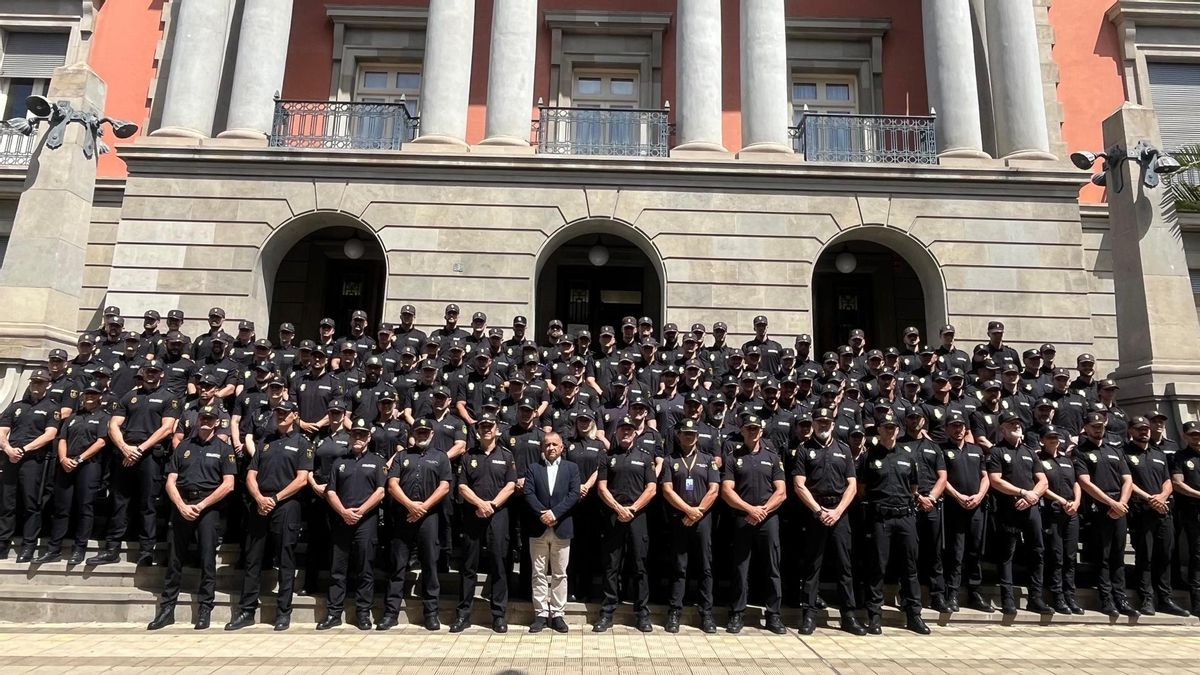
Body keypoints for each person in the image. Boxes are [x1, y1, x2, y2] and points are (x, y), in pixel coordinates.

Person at [147, 405, 237, 630]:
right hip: (182, 504)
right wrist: (181, 505)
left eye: (210, 419)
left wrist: (202, 504)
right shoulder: (183, 446)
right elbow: (170, 481)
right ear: (198, 420)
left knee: (207, 559)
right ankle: (167, 609)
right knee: (175, 559)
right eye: (203, 418)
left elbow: (229, 484)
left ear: (217, 422)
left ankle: (205, 608)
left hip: (208, 506)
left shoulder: (224, 449)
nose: (206, 421)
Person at [226, 400, 313, 632]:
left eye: (285, 413)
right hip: (260, 504)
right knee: (253, 559)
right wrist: (259, 498)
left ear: (295, 415)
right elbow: (251, 474)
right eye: (278, 413)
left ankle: (283, 613)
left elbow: (302, 479)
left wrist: (275, 499)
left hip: (286, 506)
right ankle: (246, 611)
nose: (281, 416)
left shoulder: (303, 443)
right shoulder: (265, 441)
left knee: (285, 560)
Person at [89, 363, 180, 567]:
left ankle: (146, 551)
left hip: (150, 457)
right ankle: (112, 548)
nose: (151, 375)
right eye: (148, 372)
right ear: (143, 374)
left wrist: (139, 449)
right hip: (125, 454)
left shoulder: (169, 398)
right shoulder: (129, 397)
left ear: (161, 375)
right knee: (119, 501)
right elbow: (113, 425)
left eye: (155, 372)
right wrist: (124, 447)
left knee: (148, 504)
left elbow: (166, 429)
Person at [790, 408, 864, 635]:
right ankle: (809, 615)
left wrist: (838, 510)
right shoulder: (804, 450)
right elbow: (799, 484)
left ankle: (848, 616)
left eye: (827, 422)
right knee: (813, 565)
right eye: (819, 422)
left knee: (844, 565)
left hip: (840, 513)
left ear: (833, 424)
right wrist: (819, 511)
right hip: (816, 512)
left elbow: (852, 484)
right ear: (813, 423)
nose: (823, 425)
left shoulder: (843, 449)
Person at [856, 411, 929, 634]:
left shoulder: (908, 456)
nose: (889, 430)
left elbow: (914, 488)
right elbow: (862, 490)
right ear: (878, 430)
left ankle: (914, 614)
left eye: (893, 427)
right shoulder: (869, 457)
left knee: (910, 568)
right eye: (885, 427)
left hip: (905, 516)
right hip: (881, 518)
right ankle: (874, 616)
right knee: (877, 567)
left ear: (898, 430)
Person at [380, 418, 452, 631]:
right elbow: (392, 484)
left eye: (425, 431)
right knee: (398, 565)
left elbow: (445, 486)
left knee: (430, 565)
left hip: (429, 518)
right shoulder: (402, 456)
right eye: (418, 431)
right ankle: (390, 613)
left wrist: (423, 508)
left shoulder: (441, 457)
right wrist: (411, 505)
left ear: (431, 433)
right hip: (404, 516)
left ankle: (431, 613)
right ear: (413, 433)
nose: (422, 434)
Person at [720, 414, 788, 635]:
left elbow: (782, 492)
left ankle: (773, 615)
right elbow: (727, 490)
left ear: (761, 431)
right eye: (749, 428)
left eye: (756, 429)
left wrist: (762, 510)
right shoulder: (733, 457)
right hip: (744, 517)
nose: (753, 432)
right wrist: (749, 510)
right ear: (742, 431)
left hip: (768, 518)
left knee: (772, 567)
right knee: (741, 567)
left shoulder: (773, 457)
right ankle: (737, 613)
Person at [318, 419, 386, 631]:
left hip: (366, 521)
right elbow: (330, 491)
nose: (358, 438)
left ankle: (363, 613)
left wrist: (361, 511)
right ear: (349, 437)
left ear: (369, 438)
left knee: (365, 569)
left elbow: (381, 491)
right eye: (355, 434)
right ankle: (334, 613)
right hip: (341, 519)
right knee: (338, 569)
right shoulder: (339, 462)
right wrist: (343, 512)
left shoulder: (377, 462)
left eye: (362, 435)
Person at [453, 413, 518, 633]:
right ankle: (463, 615)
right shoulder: (467, 455)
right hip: (473, 515)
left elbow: (510, 486)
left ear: (497, 430)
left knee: (499, 565)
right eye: (483, 426)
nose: (486, 429)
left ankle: (498, 615)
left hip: (498, 515)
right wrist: (480, 504)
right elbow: (462, 486)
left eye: (490, 426)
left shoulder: (507, 456)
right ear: (477, 430)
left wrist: (492, 506)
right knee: (468, 566)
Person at [594, 416, 657, 633]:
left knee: (640, 565)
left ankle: (642, 614)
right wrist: (618, 509)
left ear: (635, 432)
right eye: (622, 429)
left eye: (630, 429)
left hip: (637, 516)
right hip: (614, 515)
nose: (626, 432)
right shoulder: (607, 456)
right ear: (617, 432)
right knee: (612, 565)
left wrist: (633, 509)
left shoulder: (646, 456)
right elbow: (602, 488)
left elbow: (652, 488)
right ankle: (607, 612)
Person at [34, 381, 108, 565]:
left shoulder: (103, 417)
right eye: (87, 394)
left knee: (85, 507)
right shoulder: (72, 417)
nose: (89, 397)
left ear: (100, 396)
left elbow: (101, 442)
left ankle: (79, 549)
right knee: (61, 508)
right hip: (66, 464)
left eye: (93, 394)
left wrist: (79, 459)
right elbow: (61, 439)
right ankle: (53, 549)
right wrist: (63, 459)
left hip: (89, 465)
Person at [659, 419, 720, 634]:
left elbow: (714, 490)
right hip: (680, 519)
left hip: (702, 520)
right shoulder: (669, 460)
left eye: (692, 433)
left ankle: (706, 613)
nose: (689, 437)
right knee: (679, 566)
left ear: (698, 436)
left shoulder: (708, 460)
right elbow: (667, 490)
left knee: (705, 566)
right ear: (679, 435)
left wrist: (698, 512)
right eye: (685, 433)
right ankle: (675, 611)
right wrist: (688, 510)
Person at [987, 412, 1051, 615]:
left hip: (1031, 509)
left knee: (1037, 552)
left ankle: (1036, 598)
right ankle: (1007, 600)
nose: (1016, 426)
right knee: (1007, 554)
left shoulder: (1030, 452)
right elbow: (995, 480)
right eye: (1011, 424)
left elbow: (1043, 481)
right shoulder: (996, 452)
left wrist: (1032, 496)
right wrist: (1023, 493)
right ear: (1002, 429)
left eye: (1018, 423)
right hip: (1008, 509)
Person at [1074, 411, 1138, 617]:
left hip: (1119, 508)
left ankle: (1121, 598)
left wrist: (1121, 503)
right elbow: (1085, 482)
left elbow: (1127, 479)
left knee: (1118, 557)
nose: (1098, 428)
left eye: (1101, 425)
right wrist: (1111, 502)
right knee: (1102, 556)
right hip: (1099, 509)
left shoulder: (1115, 450)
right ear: (1086, 428)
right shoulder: (1080, 452)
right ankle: (1106, 599)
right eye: (1094, 426)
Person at [1123, 416, 1188, 616]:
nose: (1144, 431)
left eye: (1146, 428)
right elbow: (1127, 482)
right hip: (1141, 512)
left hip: (1163, 511)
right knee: (1146, 556)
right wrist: (1151, 499)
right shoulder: (1124, 453)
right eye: (1139, 429)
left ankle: (1165, 598)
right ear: (1131, 431)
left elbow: (1168, 481)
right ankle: (1147, 598)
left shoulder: (1158, 453)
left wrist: (1161, 497)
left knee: (1166, 555)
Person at [0, 369, 61, 562]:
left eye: (40, 383)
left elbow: (50, 434)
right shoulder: (16, 406)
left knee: (31, 503)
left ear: (48, 385)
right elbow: (2, 431)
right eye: (34, 382)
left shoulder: (52, 408)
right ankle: (3, 542)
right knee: (6, 502)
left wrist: (24, 450)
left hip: (33, 459)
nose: (36, 386)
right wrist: (8, 449)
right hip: (11, 457)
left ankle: (28, 545)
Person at [524, 431, 580, 634]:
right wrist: (543, 514)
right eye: (547, 445)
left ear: (562, 447)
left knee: (559, 574)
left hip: (562, 526)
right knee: (538, 573)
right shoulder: (533, 468)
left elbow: (574, 494)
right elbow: (528, 493)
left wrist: (555, 513)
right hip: (538, 527)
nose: (551, 448)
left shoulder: (571, 468)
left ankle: (557, 614)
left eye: (555, 444)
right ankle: (540, 613)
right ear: (542, 448)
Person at [1037, 425, 1083, 614]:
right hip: (1052, 512)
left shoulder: (1067, 460)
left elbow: (1076, 483)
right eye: (1050, 437)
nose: (1054, 440)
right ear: (1042, 440)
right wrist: (1061, 500)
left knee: (1070, 557)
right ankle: (1057, 595)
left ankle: (1070, 595)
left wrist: (1077, 501)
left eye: (1056, 437)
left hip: (1071, 512)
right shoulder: (1038, 460)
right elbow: (1041, 486)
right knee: (1056, 556)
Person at [1170, 420, 1200, 615]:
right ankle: (1197, 603)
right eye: (1192, 435)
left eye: (1198, 434)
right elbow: (1177, 483)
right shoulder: (1179, 457)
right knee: (1197, 556)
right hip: (1193, 512)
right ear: (1185, 436)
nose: (1196, 438)